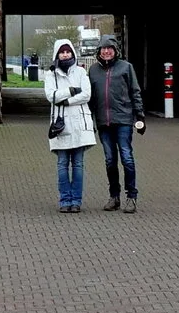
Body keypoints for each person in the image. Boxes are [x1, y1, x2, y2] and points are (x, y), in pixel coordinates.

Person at [86, 37, 146, 213]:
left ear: (115, 50)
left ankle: (131, 196)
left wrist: (140, 116)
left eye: (110, 48)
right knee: (110, 160)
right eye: (103, 49)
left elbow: (135, 92)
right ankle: (114, 196)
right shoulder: (93, 71)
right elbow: (90, 98)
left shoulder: (126, 67)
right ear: (98, 51)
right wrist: (88, 120)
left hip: (123, 120)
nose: (106, 51)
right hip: (103, 122)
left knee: (126, 157)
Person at [43, 39, 95, 213]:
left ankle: (76, 201)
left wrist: (66, 101)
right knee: (62, 164)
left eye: (68, 52)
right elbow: (51, 96)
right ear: (57, 54)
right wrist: (72, 91)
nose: (65, 55)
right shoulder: (51, 75)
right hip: (61, 125)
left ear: (72, 53)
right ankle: (65, 200)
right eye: (62, 52)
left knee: (78, 164)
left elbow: (86, 94)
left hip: (79, 123)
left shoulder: (80, 72)